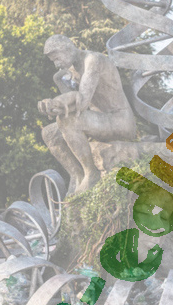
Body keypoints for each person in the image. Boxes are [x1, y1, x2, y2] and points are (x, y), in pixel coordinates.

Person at [38, 35, 137, 194]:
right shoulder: (71, 70)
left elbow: (81, 103)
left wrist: (57, 102)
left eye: (57, 58)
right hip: (99, 120)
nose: (56, 64)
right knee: (49, 133)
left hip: (119, 120)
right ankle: (77, 175)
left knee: (68, 121)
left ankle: (91, 173)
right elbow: (68, 106)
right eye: (53, 61)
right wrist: (52, 103)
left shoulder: (93, 60)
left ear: (67, 48)